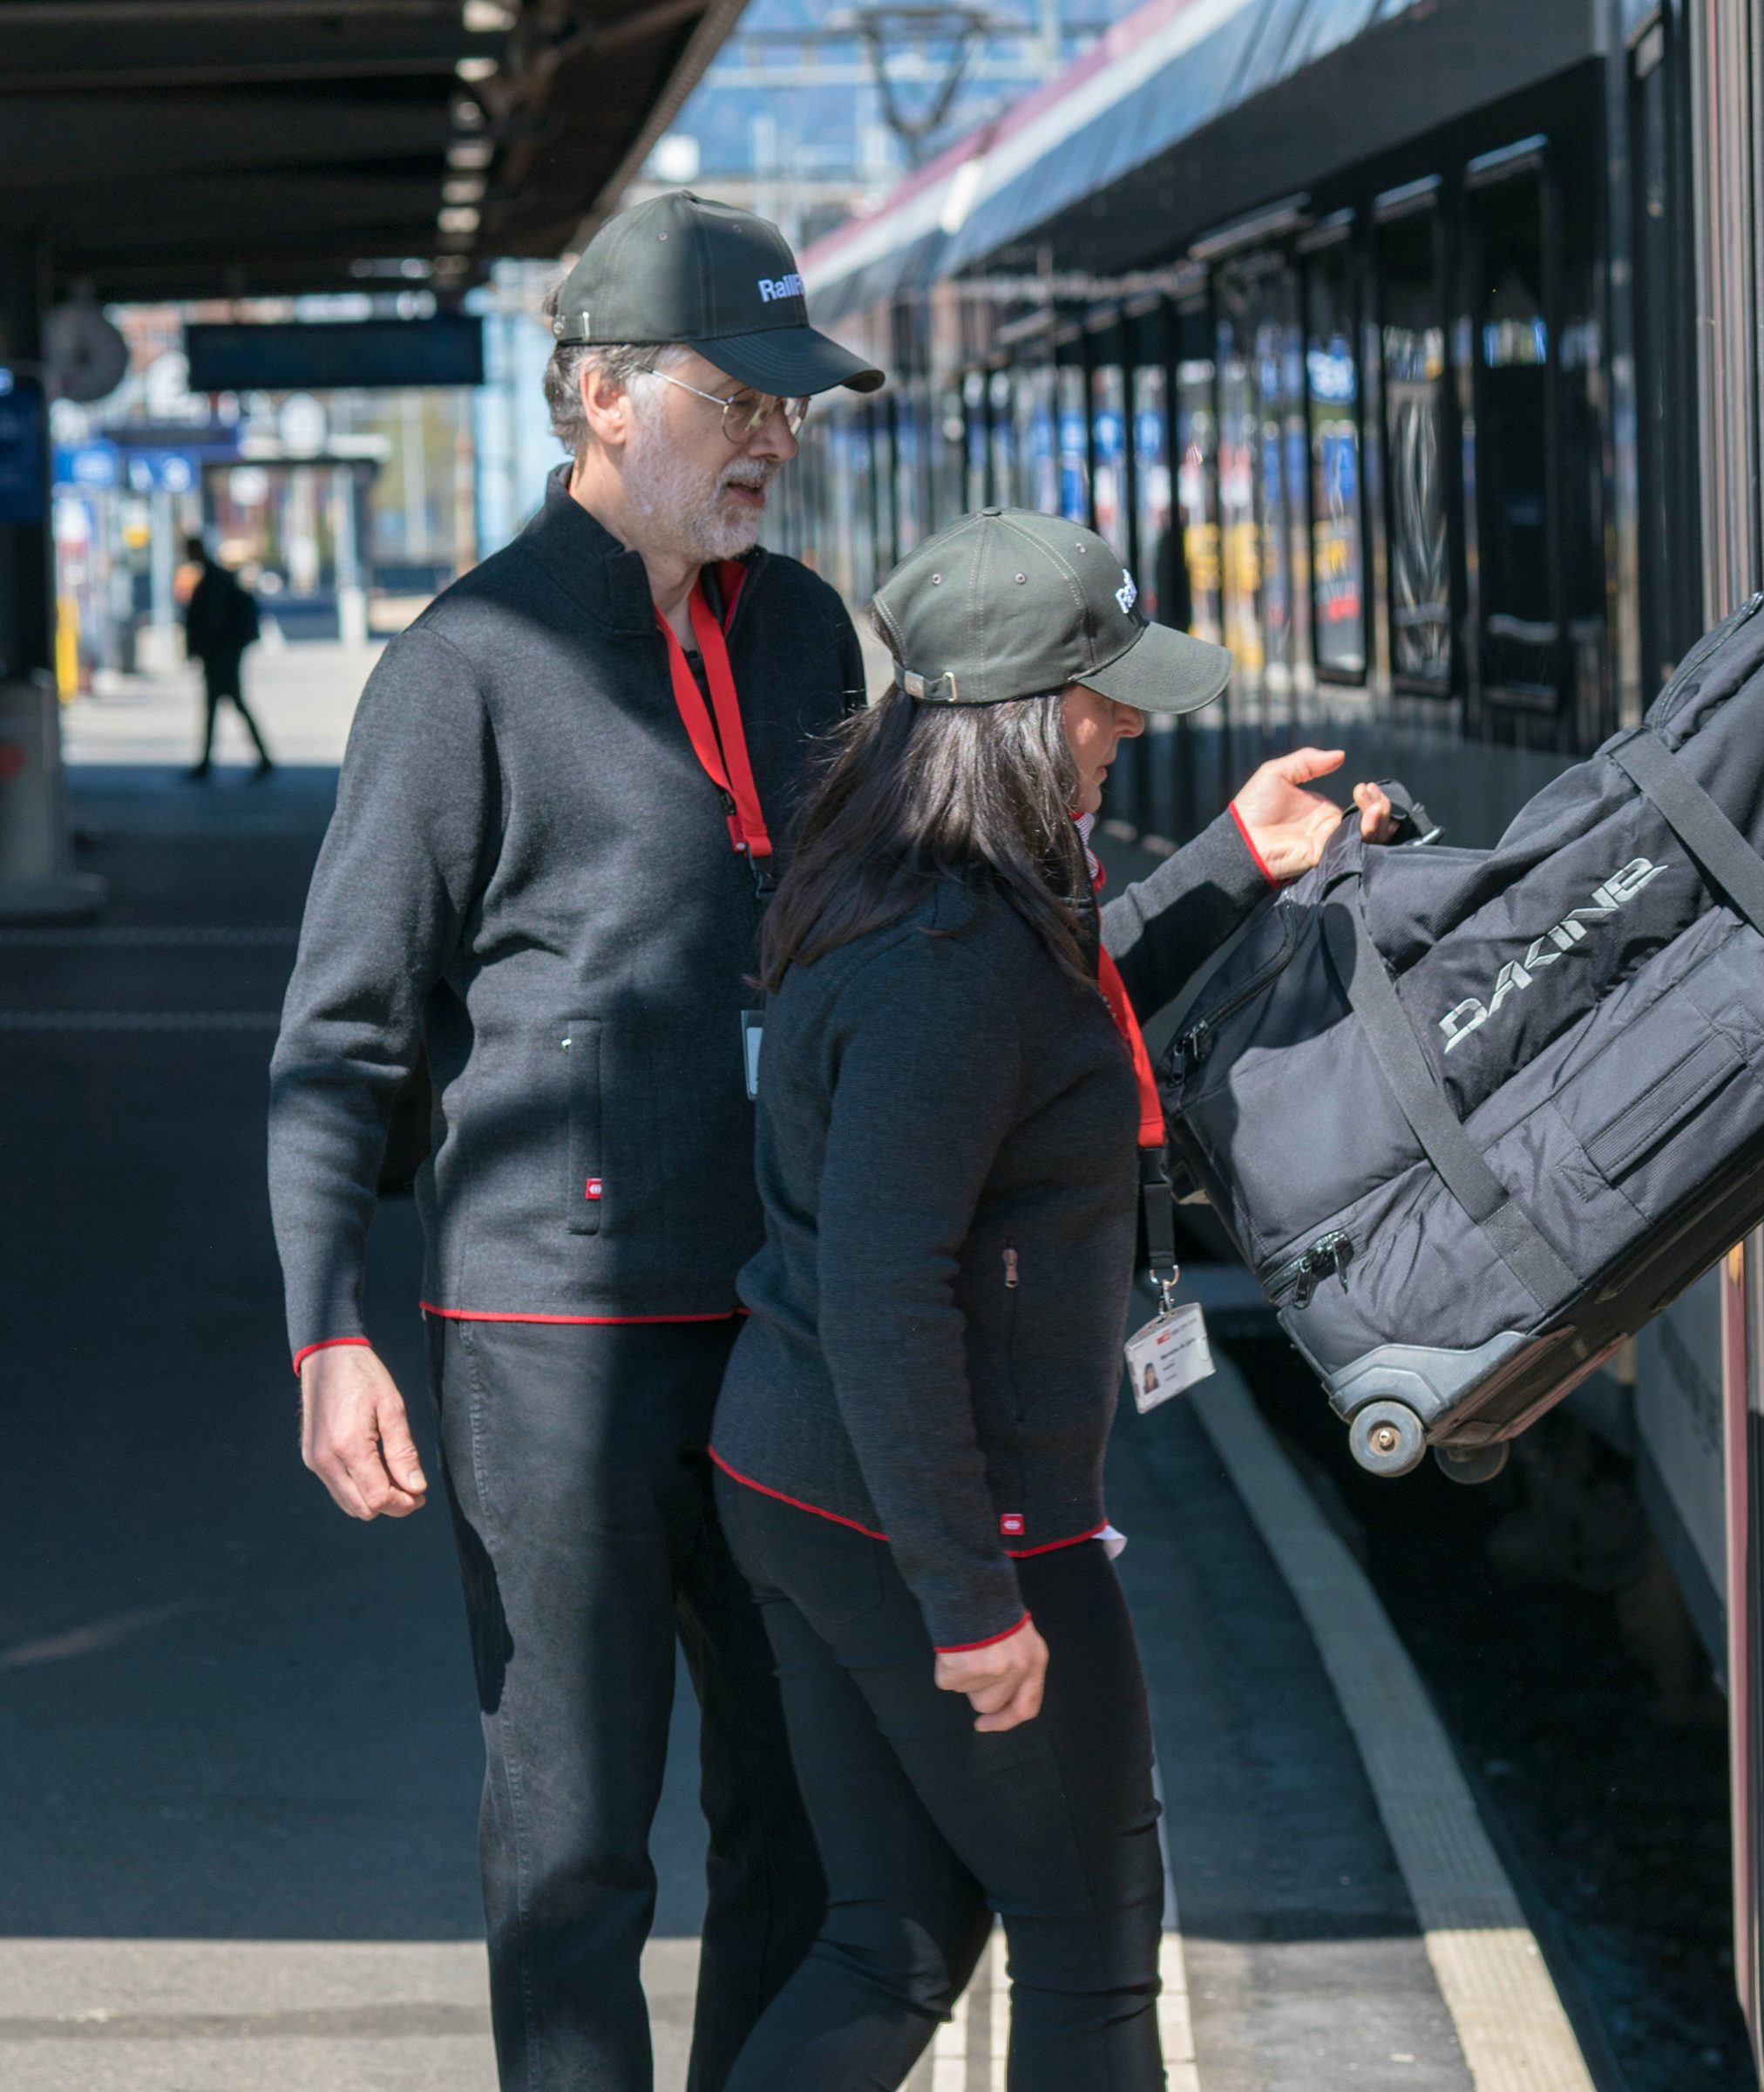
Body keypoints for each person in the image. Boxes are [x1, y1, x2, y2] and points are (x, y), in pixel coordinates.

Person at [268, 191, 889, 2092]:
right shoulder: (465, 666)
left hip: (778, 1324)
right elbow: (342, 1035)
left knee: (806, 1814)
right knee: (575, 1843)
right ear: (607, 398)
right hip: (553, 1350)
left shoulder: (805, 638)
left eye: (791, 405)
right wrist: (326, 1328)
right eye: (739, 399)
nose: (776, 439)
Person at [705, 506, 1393, 2089]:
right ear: (1019, 715)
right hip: (949, 1512)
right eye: (1107, 698)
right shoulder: (952, 959)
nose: (1130, 727)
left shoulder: (924, 888)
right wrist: (971, 1600)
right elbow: (888, 1292)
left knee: (891, 1942)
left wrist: (1235, 862)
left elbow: (1056, 1026)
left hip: (806, 1481)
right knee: (1088, 1968)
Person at [182, 537, 270, 782]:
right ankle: (211, 762)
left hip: (221, 655)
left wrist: (200, 648)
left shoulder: (214, 580)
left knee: (226, 706)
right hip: (221, 653)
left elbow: (211, 620)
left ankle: (259, 759)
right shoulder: (214, 578)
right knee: (223, 707)